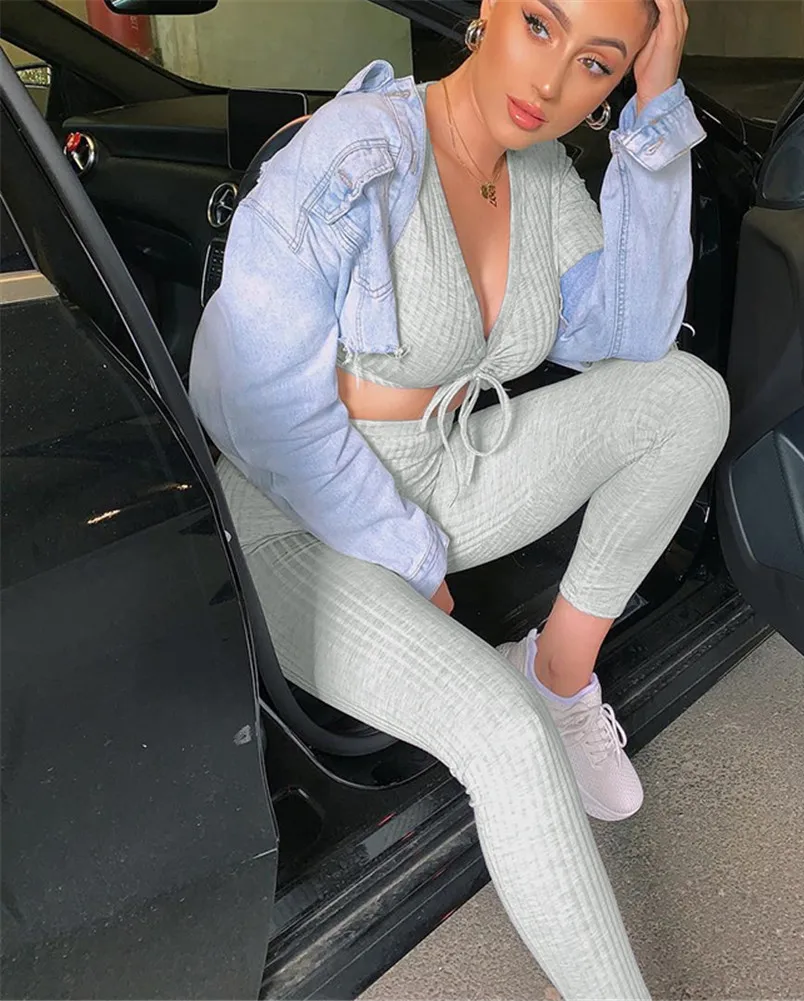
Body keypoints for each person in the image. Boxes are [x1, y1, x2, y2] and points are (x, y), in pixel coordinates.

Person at [189, 0, 729, 995]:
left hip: (449, 466)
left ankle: (558, 671)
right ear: (488, 9)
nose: (551, 81)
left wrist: (655, 113)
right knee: (505, 738)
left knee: (685, 397)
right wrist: (408, 553)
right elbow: (252, 408)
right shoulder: (354, 153)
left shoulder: (542, 170)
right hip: (297, 519)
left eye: (596, 64)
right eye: (539, 25)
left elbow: (634, 331)